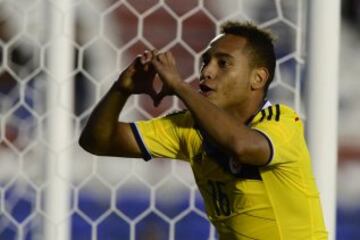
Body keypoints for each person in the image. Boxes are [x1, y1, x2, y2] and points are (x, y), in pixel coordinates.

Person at [79, 21, 328, 239]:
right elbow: (97, 141)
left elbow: (243, 147)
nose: (207, 71)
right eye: (206, 62)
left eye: (223, 64)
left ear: (258, 79)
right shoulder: (189, 128)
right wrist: (121, 89)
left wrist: (179, 86)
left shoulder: (282, 122)